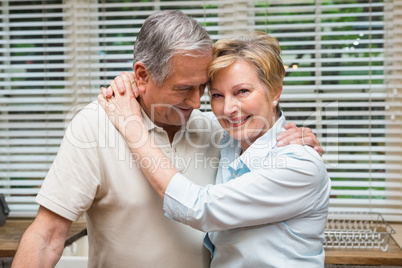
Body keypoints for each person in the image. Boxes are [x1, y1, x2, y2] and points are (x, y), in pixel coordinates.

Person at [12, 11, 322, 268]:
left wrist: (301, 139)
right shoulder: (96, 126)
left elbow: (206, 205)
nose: (198, 102)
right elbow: (47, 236)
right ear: (142, 76)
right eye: (185, 88)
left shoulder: (217, 132)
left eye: (203, 88)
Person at [98, 31, 331, 267]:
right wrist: (136, 81)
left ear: (276, 92)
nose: (229, 108)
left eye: (242, 91)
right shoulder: (227, 137)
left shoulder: (299, 164)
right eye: (218, 95)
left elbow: (201, 208)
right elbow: (167, 102)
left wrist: (133, 129)